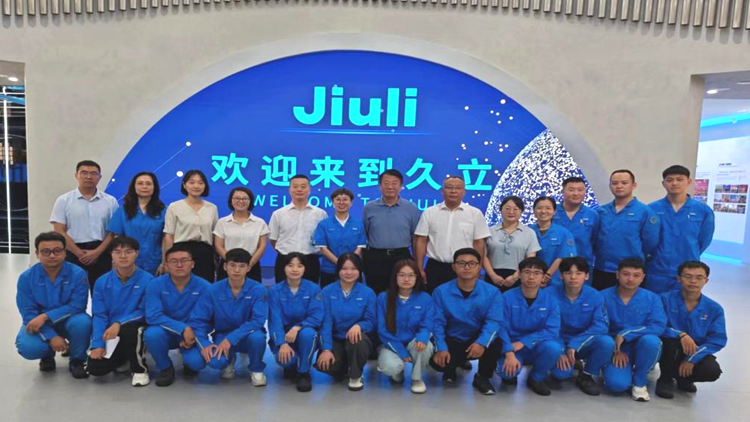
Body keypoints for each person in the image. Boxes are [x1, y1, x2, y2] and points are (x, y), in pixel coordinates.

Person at [183, 248, 269, 386]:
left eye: (242, 266)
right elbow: (198, 320)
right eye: (232, 265)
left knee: (257, 337)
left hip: (248, 334)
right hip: (222, 335)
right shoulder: (213, 290)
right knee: (216, 362)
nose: (236, 270)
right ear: (225, 266)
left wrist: (231, 339)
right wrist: (204, 344)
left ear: (248, 268)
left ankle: (256, 368)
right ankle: (229, 360)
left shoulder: (258, 290)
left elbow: (258, 320)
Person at [15, 231, 92, 379]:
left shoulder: (78, 274)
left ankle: (77, 360)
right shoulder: (26, 278)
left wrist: (45, 316)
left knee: (83, 322)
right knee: (28, 347)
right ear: (37, 254)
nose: (52, 255)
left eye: (57, 251)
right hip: (39, 323)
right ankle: (47, 356)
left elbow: (78, 305)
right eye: (45, 251)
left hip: (68, 320)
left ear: (65, 252)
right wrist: (51, 337)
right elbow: (28, 313)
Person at [431, 248, 505, 395]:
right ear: (454, 267)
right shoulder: (441, 291)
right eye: (461, 263)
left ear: (479, 267)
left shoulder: (492, 292)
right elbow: (436, 323)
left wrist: (481, 342)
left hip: (475, 338)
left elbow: (494, 321)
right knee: (437, 363)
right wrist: (441, 347)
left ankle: (482, 377)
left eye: (472, 263)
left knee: (496, 341)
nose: (466, 267)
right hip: (452, 338)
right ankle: (451, 368)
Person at [86, 236, 153, 386]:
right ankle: (124, 357)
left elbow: (146, 311)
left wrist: (119, 323)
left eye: (128, 252)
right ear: (111, 254)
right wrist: (98, 344)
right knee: (96, 369)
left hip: (136, 326)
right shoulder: (102, 282)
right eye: (117, 252)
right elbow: (99, 315)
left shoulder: (148, 280)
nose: (123, 256)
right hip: (111, 332)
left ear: (137, 253)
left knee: (130, 330)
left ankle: (139, 370)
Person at [655, 261, 725, 399]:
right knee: (671, 343)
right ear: (679, 278)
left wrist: (692, 359)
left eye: (699, 277)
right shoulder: (664, 299)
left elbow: (717, 339)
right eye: (688, 276)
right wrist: (680, 334)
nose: (693, 281)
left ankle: (684, 378)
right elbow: (656, 325)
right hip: (668, 348)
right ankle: (665, 380)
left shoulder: (714, 309)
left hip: (694, 351)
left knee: (712, 371)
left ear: (706, 280)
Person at [144, 244, 211, 387]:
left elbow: (209, 319)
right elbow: (153, 315)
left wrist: (192, 334)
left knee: (197, 363)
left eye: (184, 260)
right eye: (174, 261)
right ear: (166, 265)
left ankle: (189, 362)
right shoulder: (155, 285)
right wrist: (182, 328)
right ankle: (165, 367)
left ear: (192, 264)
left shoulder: (205, 287)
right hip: (166, 332)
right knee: (152, 334)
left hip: (193, 333)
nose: (179, 265)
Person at [601, 258, 667, 402]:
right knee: (617, 385)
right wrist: (615, 350)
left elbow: (658, 325)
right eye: (626, 274)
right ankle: (615, 369)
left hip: (641, 346)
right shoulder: (602, 297)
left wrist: (626, 334)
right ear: (617, 274)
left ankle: (640, 380)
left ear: (643, 277)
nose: (630, 279)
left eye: (636, 275)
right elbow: (598, 326)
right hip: (615, 347)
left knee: (651, 341)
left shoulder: (652, 298)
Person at [497, 257, 562, 396]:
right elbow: (500, 327)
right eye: (527, 272)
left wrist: (523, 342)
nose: (531, 277)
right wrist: (508, 352)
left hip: (535, 345)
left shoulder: (551, 301)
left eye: (537, 273)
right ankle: (511, 371)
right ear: (519, 274)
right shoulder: (506, 297)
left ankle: (536, 378)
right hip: (511, 346)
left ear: (544, 277)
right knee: (506, 373)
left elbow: (552, 330)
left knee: (554, 347)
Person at [549, 257, 614, 396]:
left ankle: (586, 375)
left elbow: (601, 326)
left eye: (578, 273)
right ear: (561, 275)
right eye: (568, 273)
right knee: (561, 375)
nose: (573, 277)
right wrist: (560, 350)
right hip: (558, 341)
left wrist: (575, 344)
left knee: (607, 342)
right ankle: (571, 362)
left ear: (586, 276)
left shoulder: (595, 296)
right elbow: (545, 326)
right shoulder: (549, 294)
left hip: (584, 342)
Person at [50, 160, 118, 291]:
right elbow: (59, 231)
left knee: (102, 292)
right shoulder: (63, 200)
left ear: (100, 177)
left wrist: (97, 252)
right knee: (72, 292)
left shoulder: (110, 201)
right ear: (76, 175)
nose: (89, 177)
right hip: (72, 252)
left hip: (102, 252)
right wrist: (79, 253)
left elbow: (113, 231)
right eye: (84, 173)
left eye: (93, 173)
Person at [414, 176, 490, 293]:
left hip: (464, 268)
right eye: (449, 187)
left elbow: (479, 243)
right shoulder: (430, 212)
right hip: (435, 267)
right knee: (434, 299)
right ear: (442, 191)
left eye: (458, 188)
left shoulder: (475, 213)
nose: (453, 191)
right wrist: (419, 268)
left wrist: (477, 268)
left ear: (464, 191)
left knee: (462, 300)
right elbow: (421, 241)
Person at [646, 165, 715, 293]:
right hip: (658, 270)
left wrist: (689, 252)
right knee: (655, 303)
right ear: (663, 183)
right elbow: (647, 239)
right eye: (670, 180)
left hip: (688, 271)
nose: (674, 183)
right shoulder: (652, 209)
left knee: (683, 303)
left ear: (689, 181)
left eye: (679, 179)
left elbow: (704, 240)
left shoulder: (703, 211)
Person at [316, 253, 377, 391]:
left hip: (358, 338)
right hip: (336, 338)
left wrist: (359, 326)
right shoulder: (327, 291)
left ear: (359, 271)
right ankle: (344, 367)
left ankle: (355, 375)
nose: (349, 272)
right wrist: (326, 349)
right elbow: (325, 322)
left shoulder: (368, 293)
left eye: (353, 268)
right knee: (327, 365)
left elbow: (371, 320)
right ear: (338, 270)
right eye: (344, 268)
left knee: (356, 340)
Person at [593, 170, 660, 291]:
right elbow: (594, 239)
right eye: (615, 183)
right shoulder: (602, 211)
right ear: (610, 186)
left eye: (624, 183)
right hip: (602, 269)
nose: (619, 186)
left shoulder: (645, 212)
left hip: (630, 273)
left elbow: (650, 244)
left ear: (634, 185)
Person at [268, 252, 324, 392]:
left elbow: (316, 316)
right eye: (290, 265)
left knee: (309, 334)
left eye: (299, 266)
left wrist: (298, 327)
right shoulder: (274, 291)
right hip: (284, 335)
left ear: (305, 269)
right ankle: (293, 364)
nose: (295, 269)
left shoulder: (313, 289)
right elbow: (274, 321)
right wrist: (282, 343)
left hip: (304, 331)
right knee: (287, 361)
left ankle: (303, 372)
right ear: (284, 268)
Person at [376, 259, 435, 394]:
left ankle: (417, 379)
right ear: (395, 277)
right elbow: (382, 330)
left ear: (417, 277)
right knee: (390, 367)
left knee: (425, 346)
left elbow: (427, 324)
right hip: (391, 343)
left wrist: (422, 337)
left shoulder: (425, 298)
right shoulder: (383, 298)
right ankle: (398, 371)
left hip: (413, 342)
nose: (406, 279)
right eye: (401, 275)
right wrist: (401, 352)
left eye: (411, 275)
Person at [362, 169, 421, 294]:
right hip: (376, 257)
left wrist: (417, 263)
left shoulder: (411, 208)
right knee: (375, 291)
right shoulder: (369, 207)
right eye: (386, 183)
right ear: (380, 186)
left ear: (401, 186)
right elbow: (366, 233)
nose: (390, 187)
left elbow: (415, 238)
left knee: (401, 292)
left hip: (401, 256)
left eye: (394, 183)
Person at [269, 174, 327, 283]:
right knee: (283, 291)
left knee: (311, 291)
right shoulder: (278, 214)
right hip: (285, 260)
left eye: (303, 186)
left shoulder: (320, 214)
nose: (299, 189)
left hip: (310, 260)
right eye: (295, 186)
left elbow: (324, 239)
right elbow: (273, 239)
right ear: (289, 190)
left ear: (309, 190)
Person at [163, 169, 219, 282]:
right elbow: (169, 235)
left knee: (205, 286)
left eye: (200, 182)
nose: (196, 186)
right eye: (192, 182)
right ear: (184, 185)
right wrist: (166, 261)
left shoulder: (212, 208)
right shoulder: (174, 207)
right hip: (180, 253)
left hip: (204, 253)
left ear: (205, 186)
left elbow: (215, 236)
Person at [107, 171, 166, 275]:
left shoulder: (163, 210)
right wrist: (115, 261)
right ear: (133, 187)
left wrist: (164, 263)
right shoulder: (122, 211)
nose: (144, 186)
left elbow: (167, 238)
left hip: (155, 262)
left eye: (148, 184)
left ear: (154, 187)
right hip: (128, 262)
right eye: (140, 183)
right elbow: (117, 238)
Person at [484, 196, 540, 292]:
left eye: (515, 209)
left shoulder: (529, 233)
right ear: (500, 210)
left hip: (519, 277)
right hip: (492, 277)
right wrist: (493, 276)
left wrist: (515, 277)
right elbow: (483, 256)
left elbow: (530, 259)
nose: (511, 212)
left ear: (521, 211)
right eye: (507, 208)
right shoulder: (489, 231)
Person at [214, 187, 269, 282]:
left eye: (244, 198)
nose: (241, 201)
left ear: (250, 201)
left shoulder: (260, 223)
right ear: (231, 201)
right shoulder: (222, 222)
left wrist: (249, 264)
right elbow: (218, 246)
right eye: (237, 198)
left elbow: (262, 246)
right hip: (227, 266)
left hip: (252, 266)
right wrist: (232, 263)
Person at [314, 188, 366, 287]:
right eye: (338, 200)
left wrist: (349, 264)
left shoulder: (359, 224)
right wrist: (340, 263)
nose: (341, 202)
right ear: (333, 203)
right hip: (329, 270)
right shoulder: (324, 224)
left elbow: (360, 246)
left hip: (353, 270)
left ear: (351, 203)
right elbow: (323, 248)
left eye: (345, 199)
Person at [553, 177, 599, 278]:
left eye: (580, 190)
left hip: (582, 267)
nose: (576, 193)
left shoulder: (592, 215)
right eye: (571, 190)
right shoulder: (552, 212)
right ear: (562, 191)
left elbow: (595, 242)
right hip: (555, 267)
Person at [530, 196, 577, 288]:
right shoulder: (527, 231)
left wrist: (546, 277)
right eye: (539, 208)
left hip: (555, 281)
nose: (543, 211)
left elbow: (563, 257)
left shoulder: (564, 233)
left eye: (548, 208)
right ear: (534, 211)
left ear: (554, 211)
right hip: (530, 280)